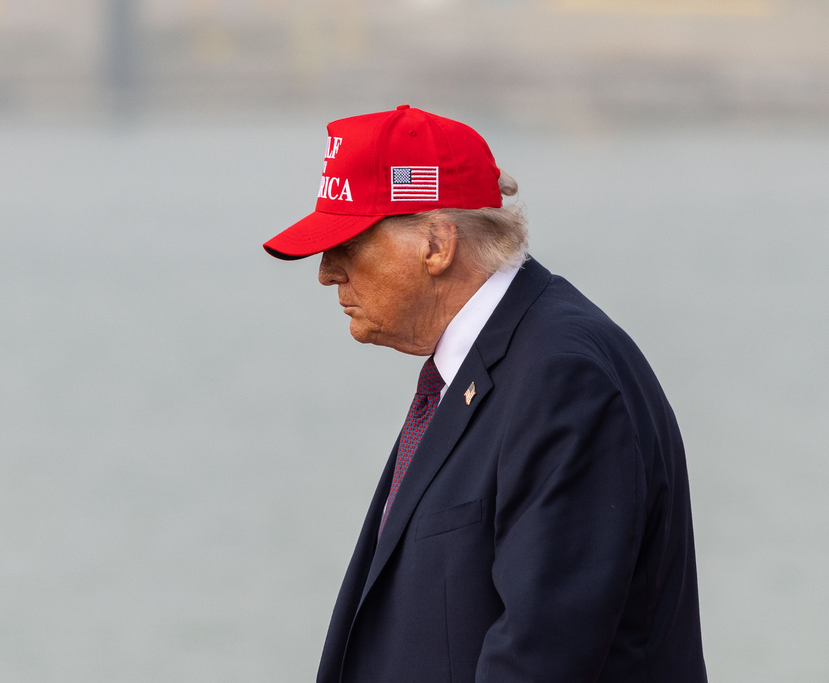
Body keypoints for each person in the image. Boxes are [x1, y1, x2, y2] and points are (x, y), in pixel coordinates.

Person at [263, 105, 707, 682]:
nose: (327, 272)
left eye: (347, 243)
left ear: (436, 245)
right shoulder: (489, 365)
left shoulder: (562, 379)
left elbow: (541, 657)